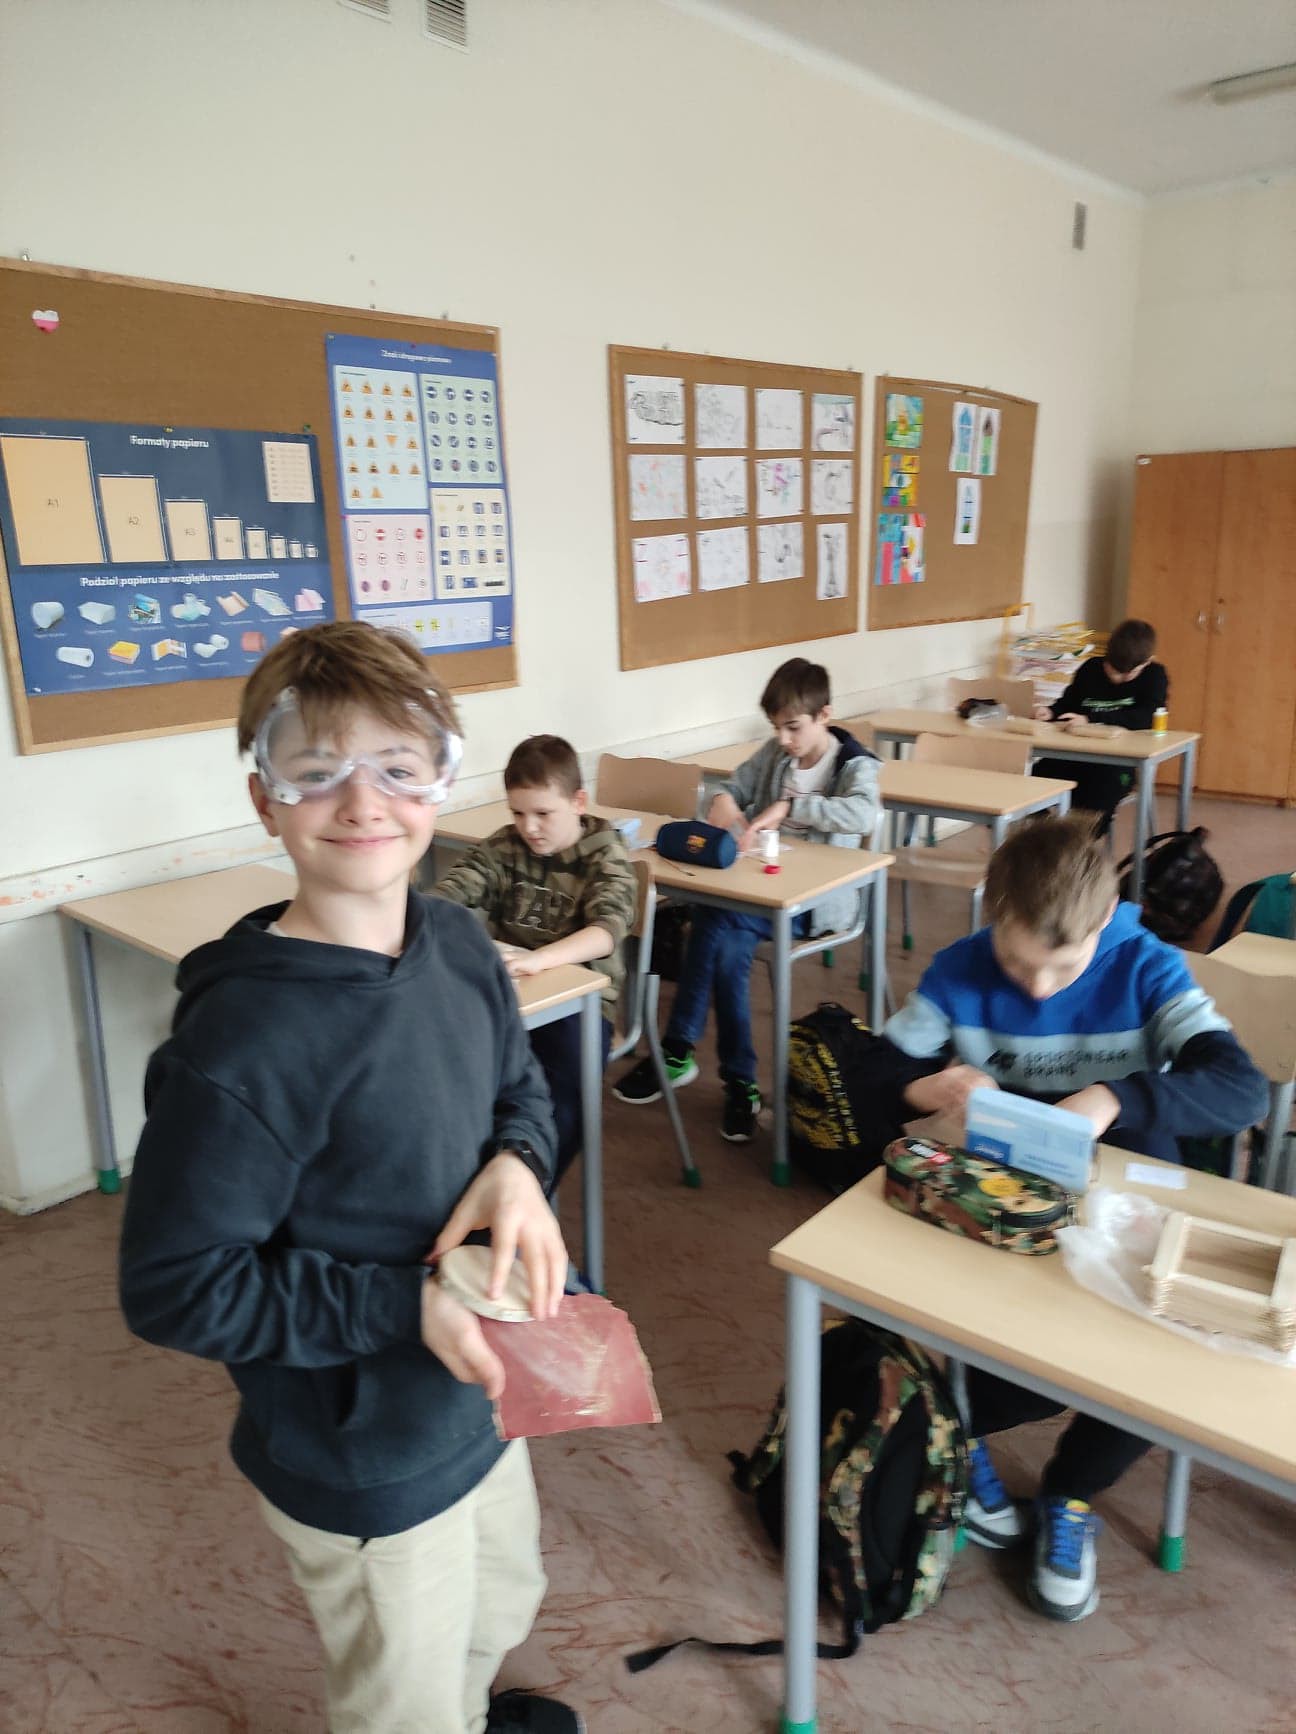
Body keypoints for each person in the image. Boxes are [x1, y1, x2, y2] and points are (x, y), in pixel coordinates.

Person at [119, 621, 583, 1734]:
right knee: (401, 1698)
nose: (365, 802)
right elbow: (175, 1285)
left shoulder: (459, 943)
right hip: (363, 1451)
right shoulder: (246, 1043)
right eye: (319, 771)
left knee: (500, 1602)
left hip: (480, 1396)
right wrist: (401, 1307)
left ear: (442, 781)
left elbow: (518, 1085)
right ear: (265, 799)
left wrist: (520, 1165)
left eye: (399, 767)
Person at [879, 816, 1267, 1625]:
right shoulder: (958, 970)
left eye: (1063, 964)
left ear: (1103, 924)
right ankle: (961, 1433)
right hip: (1006, 1197)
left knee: (1150, 1358)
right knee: (1011, 1357)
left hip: (1124, 1191)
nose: (1038, 987)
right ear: (992, 917)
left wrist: (1115, 1097)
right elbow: (875, 1069)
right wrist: (925, 1088)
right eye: (1018, 962)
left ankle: (1072, 1491)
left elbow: (1239, 1090)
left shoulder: (1146, 964)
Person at [614, 657, 880, 1143]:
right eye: (777, 728)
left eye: (793, 727)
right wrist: (724, 801)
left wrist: (792, 805)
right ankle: (740, 1081)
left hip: (814, 905)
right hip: (756, 895)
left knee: (712, 920)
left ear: (824, 715)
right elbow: (732, 786)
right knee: (726, 944)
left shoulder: (853, 765)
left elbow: (863, 814)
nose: (784, 739)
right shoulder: (776, 755)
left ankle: (678, 1050)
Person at [432, 734, 636, 1181]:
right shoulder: (505, 848)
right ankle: (464, 1181)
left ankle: (530, 1186)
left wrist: (540, 960)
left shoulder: (604, 853)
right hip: (511, 993)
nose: (529, 827)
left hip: (582, 1004)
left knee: (566, 1095)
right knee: (445, 1070)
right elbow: (450, 893)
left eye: (543, 813)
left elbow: (605, 933)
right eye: (518, 813)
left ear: (578, 802)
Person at [1033, 618, 1168, 834]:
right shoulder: (1090, 669)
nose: (1120, 678)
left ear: (1147, 662)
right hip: (1076, 754)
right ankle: (1042, 835)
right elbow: (1068, 703)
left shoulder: (1155, 675)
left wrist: (1090, 718)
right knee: (1030, 779)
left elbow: (1146, 717)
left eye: (1130, 673)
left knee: (1097, 797)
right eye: (1114, 670)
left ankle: (1074, 842)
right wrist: (1051, 712)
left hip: (1118, 762)